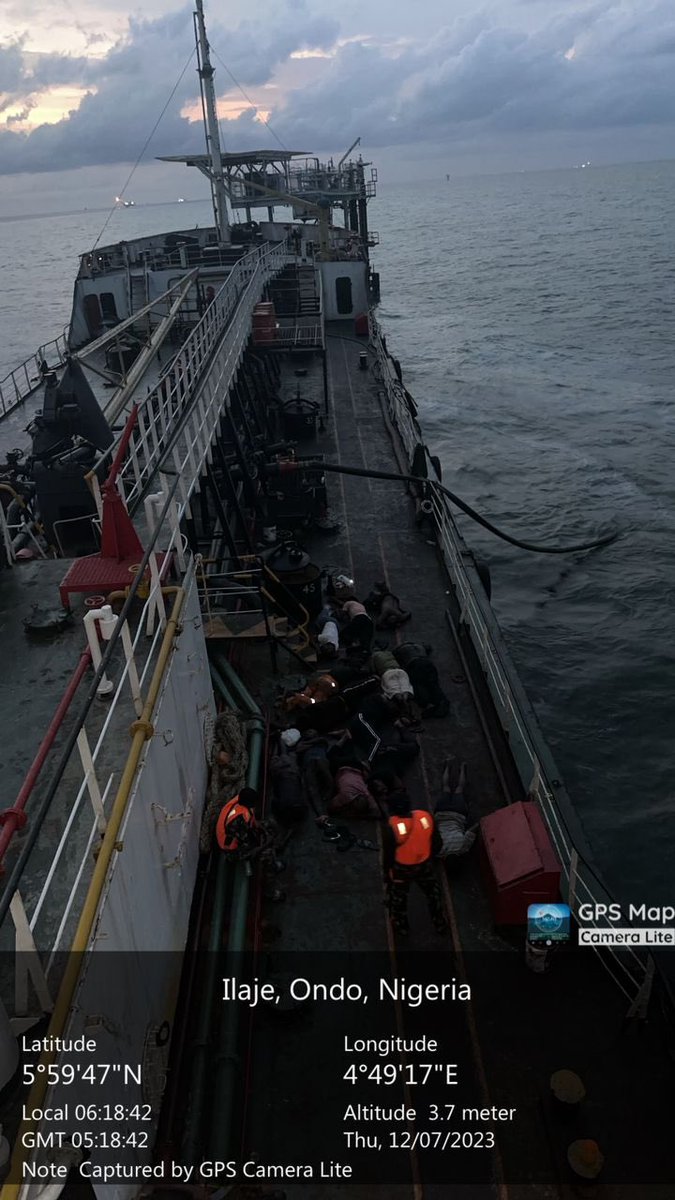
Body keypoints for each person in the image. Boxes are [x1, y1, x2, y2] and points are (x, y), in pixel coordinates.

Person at [382, 793, 447, 935]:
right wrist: (427, 857)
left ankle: (401, 926)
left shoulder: (391, 827)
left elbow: (388, 855)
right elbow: (438, 843)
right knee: (433, 894)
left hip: (401, 869)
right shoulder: (425, 817)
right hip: (424, 866)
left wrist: (387, 873)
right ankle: (439, 922)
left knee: (399, 898)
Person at [433, 758, 476, 858]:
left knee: (459, 788)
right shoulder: (438, 852)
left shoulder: (462, 848)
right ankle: (447, 766)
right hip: (441, 813)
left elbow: (471, 831)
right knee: (445, 787)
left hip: (458, 813)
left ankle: (462, 768)